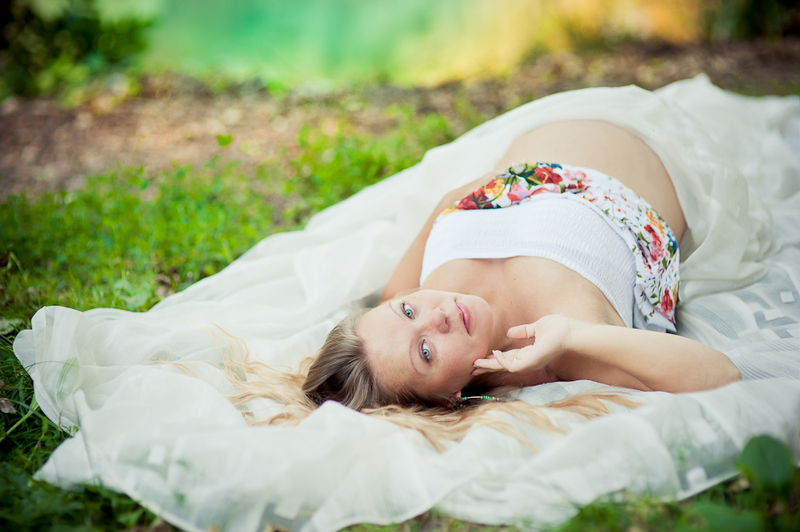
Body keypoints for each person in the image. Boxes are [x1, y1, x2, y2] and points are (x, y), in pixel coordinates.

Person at [303, 119, 742, 412]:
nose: (435, 316)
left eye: (407, 311)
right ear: (448, 398)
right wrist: (571, 334)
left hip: (548, 116)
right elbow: (723, 375)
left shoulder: (414, 298)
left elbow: (445, 206)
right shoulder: (565, 348)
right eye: (425, 352)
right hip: (667, 143)